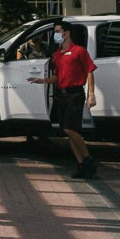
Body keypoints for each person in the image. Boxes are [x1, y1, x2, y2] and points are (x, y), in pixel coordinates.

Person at [28, 22, 98, 179]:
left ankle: (88, 159)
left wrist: (91, 93)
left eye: (58, 31)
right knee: (70, 131)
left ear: (66, 33)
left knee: (70, 129)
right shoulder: (57, 55)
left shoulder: (79, 51)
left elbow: (90, 71)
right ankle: (82, 164)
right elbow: (58, 77)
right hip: (61, 94)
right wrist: (42, 80)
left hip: (75, 94)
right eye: (55, 31)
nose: (55, 34)